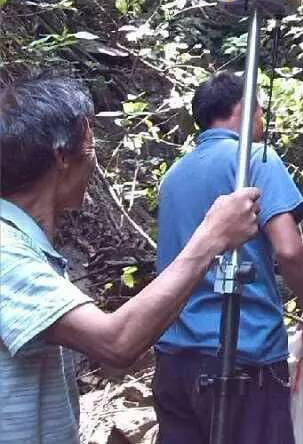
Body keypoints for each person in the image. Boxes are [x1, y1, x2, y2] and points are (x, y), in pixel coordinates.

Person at [0, 76, 260, 444]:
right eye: (91, 142)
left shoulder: (25, 244)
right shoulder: (5, 249)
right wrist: (212, 237)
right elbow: (115, 342)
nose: (95, 157)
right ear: (61, 155)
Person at [153, 70, 303, 444]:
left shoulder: (174, 176)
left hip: (174, 359)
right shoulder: (255, 157)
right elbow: (290, 250)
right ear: (245, 109)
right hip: (244, 357)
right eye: (259, 108)